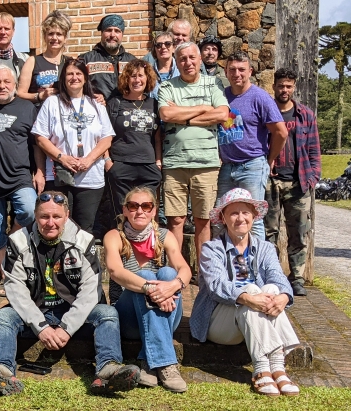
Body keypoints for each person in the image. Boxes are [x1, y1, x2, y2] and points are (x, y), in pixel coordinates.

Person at [0, 192, 140, 396]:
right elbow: (15, 289)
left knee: (107, 313)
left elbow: (90, 292)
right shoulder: (17, 241)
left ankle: (108, 370)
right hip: (36, 313)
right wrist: (40, 326)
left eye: (56, 217)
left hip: (73, 315)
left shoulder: (84, 241)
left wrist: (66, 328)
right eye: (44, 217)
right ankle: (3, 372)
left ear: (67, 215)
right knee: (3, 316)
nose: (50, 223)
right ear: (35, 215)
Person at [191, 188, 301, 397]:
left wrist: (283, 297)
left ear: (253, 216)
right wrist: (249, 298)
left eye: (245, 213)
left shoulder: (266, 248)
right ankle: (263, 368)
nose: (240, 218)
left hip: (254, 319)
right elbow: (217, 286)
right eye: (233, 213)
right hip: (220, 325)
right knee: (250, 291)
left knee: (271, 289)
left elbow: (278, 277)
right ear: (223, 218)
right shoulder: (211, 249)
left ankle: (276, 369)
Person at [104, 187, 192, 393]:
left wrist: (172, 286)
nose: (139, 211)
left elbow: (184, 269)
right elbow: (115, 271)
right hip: (129, 318)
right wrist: (149, 289)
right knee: (145, 276)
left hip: (166, 313)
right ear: (125, 210)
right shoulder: (114, 236)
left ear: (153, 211)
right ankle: (167, 365)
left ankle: (149, 362)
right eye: (133, 206)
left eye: (146, 206)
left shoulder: (164, 235)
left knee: (170, 274)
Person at [0, 65, 46, 297]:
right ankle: (8, 278)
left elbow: (37, 144)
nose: (1, 86)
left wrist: (40, 172)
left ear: (15, 85)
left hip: (20, 177)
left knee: (29, 212)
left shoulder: (27, 108)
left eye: (6, 82)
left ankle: (14, 235)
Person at [158, 42, 229, 260]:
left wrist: (184, 116)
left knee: (203, 220)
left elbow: (222, 115)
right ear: (176, 62)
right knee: (175, 220)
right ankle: (177, 270)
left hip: (206, 163)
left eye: (191, 58)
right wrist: (203, 108)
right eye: (182, 59)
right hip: (174, 163)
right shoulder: (167, 87)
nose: (187, 62)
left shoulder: (212, 84)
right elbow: (166, 115)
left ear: (199, 60)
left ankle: (204, 273)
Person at [32, 58, 114, 234]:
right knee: (59, 227)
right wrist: (63, 158)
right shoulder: (52, 103)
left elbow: (106, 138)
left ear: (85, 78)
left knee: (85, 229)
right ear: (63, 78)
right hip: (59, 175)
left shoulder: (96, 105)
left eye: (78, 74)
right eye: (70, 74)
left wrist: (89, 160)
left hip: (90, 176)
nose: (74, 77)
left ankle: (81, 262)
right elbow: (40, 137)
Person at [218, 52, 287, 240]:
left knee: (253, 218)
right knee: (221, 216)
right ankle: (226, 263)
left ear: (250, 71)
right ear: (226, 71)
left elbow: (281, 132)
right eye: (232, 69)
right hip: (227, 166)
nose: (237, 74)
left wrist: (269, 159)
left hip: (252, 165)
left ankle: (256, 267)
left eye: (241, 69)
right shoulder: (221, 96)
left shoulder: (260, 97)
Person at [265, 68, 321, 296]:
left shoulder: (305, 115)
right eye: (281, 86)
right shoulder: (266, 112)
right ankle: (272, 275)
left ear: (294, 87)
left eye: (288, 86)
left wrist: (313, 177)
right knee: (269, 233)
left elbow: (314, 150)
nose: (284, 90)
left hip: (299, 182)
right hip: (270, 182)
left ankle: (296, 277)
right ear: (274, 86)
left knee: (298, 232)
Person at [104, 59, 162, 218]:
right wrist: (107, 161)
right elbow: (104, 134)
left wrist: (158, 162)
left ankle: (146, 242)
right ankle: (121, 241)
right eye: (133, 76)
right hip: (121, 163)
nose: (137, 80)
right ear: (126, 79)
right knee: (123, 211)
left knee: (146, 211)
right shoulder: (115, 103)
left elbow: (157, 137)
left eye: (141, 76)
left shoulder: (154, 104)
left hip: (148, 165)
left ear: (148, 79)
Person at [17, 10, 73, 109]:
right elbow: (20, 94)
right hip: (39, 114)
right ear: (45, 37)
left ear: (65, 38)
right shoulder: (33, 61)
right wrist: (40, 96)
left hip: (64, 115)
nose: (54, 38)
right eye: (50, 34)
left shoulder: (70, 62)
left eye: (59, 34)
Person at [79, 14, 136, 102]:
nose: (112, 35)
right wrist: (90, 96)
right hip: (98, 111)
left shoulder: (132, 61)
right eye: (108, 30)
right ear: (101, 33)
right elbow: (74, 88)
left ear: (122, 35)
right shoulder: (86, 60)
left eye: (117, 31)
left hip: (125, 112)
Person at [146, 32, 180, 100]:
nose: (163, 47)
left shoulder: (182, 71)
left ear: (174, 48)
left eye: (168, 44)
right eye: (159, 45)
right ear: (155, 50)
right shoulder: (148, 73)